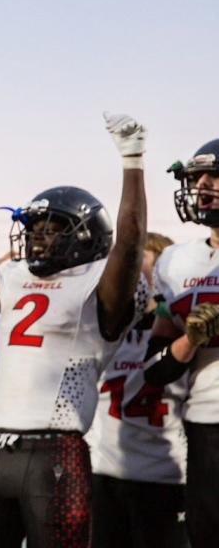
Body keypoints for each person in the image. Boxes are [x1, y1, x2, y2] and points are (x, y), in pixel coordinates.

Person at [0, 113, 147, 548]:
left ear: (87, 237)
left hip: (54, 455)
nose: (38, 240)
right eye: (34, 230)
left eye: (53, 231)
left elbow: (130, 244)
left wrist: (132, 160)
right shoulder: (15, 279)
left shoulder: (100, 285)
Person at [86, 231, 188, 548]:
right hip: (104, 474)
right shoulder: (100, 331)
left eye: (138, 266)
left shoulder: (184, 333)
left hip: (165, 476)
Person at [144, 138, 219, 548]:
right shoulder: (175, 262)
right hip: (206, 425)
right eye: (196, 177)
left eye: (214, 175)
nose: (203, 185)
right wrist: (190, 340)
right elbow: (154, 367)